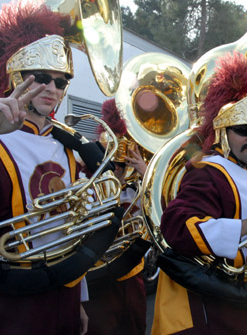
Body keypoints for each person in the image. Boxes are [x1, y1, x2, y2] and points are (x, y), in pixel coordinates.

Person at [0, 2, 117, 334]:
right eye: (42, 78)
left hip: (67, 288)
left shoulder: (69, 145)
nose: (52, 89)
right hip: (16, 294)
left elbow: (72, 227)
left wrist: (81, 298)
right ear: (16, 76)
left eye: (62, 82)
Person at [151, 52, 247, 334]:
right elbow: (176, 226)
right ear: (221, 132)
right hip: (222, 313)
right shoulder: (209, 171)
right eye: (243, 130)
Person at [83, 98, 148, 335]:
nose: (117, 170)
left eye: (122, 164)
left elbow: (165, 210)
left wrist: (147, 174)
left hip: (132, 274)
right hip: (98, 279)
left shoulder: (137, 188)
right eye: (112, 164)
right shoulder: (87, 186)